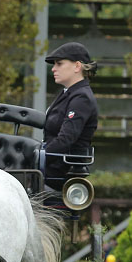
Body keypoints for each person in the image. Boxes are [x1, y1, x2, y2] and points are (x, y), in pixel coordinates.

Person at [42, 42, 98, 192]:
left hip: (59, 174)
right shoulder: (69, 93)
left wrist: (35, 158)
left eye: (59, 64)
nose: (53, 68)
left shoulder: (81, 98)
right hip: (50, 170)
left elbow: (65, 139)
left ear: (77, 66)